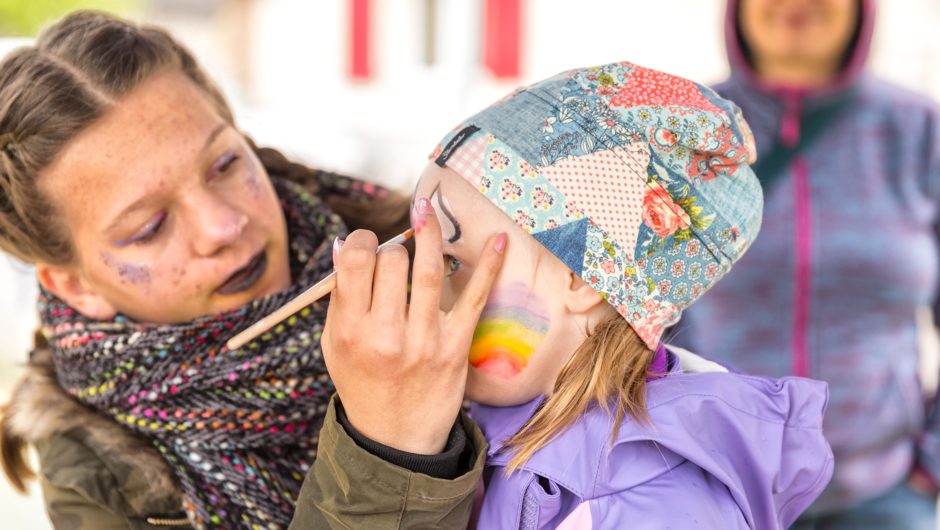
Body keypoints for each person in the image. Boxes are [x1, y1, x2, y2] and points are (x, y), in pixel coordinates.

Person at [0, 10, 506, 529]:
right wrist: (388, 449)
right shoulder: (100, 488)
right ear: (75, 286)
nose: (223, 225)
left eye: (224, 165)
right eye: (150, 226)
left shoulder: (430, 247)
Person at [307, 60, 834, 528]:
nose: (416, 285)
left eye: (448, 260)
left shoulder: (653, 510)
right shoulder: (490, 430)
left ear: (581, 276)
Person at [674, 1, 940, 527]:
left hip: (883, 497)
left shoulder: (919, 131)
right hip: (712, 494)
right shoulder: (685, 133)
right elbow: (629, 318)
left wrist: (930, 465)